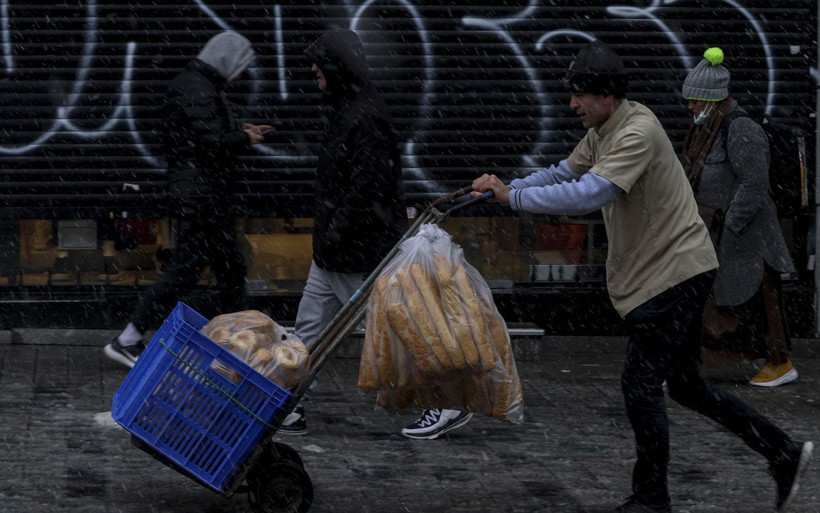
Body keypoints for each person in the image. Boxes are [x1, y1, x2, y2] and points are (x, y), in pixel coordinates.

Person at [471, 40, 812, 513]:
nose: (572, 104)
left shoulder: (637, 132)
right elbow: (563, 173)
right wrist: (507, 188)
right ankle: (782, 451)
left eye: (580, 95)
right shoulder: (603, 131)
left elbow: (590, 193)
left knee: (640, 383)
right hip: (676, 270)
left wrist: (514, 199)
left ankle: (652, 498)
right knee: (688, 386)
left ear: (607, 96)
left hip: (674, 273)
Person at [277, 29, 470, 437]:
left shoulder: (365, 116)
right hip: (334, 250)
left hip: (357, 250)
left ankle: (447, 399)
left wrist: (336, 231)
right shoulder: (347, 108)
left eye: (318, 61)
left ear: (337, 67)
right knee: (310, 328)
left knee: (394, 328)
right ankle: (285, 406)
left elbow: (367, 187)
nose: (312, 69)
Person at [104, 31, 270, 368]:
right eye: (239, 66)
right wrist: (244, 138)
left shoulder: (200, 86)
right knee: (189, 271)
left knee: (229, 269)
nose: (240, 75)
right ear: (225, 60)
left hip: (205, 193)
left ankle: (240, 344)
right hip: (201, 195)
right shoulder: (197, 88)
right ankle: (128, 338)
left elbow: (205, 134)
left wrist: (240, 131)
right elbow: (212, 143)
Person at [680, 47, 798, 387]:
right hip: (722, 237)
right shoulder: (707, 128)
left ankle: (780, 364)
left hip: (748, 240)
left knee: (760, 304)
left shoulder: (741, 128)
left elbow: (754, 184)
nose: (690, 106)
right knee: (727, 303)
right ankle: (693, 361)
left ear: (713, 99)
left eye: (695, 100)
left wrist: (731, 224)